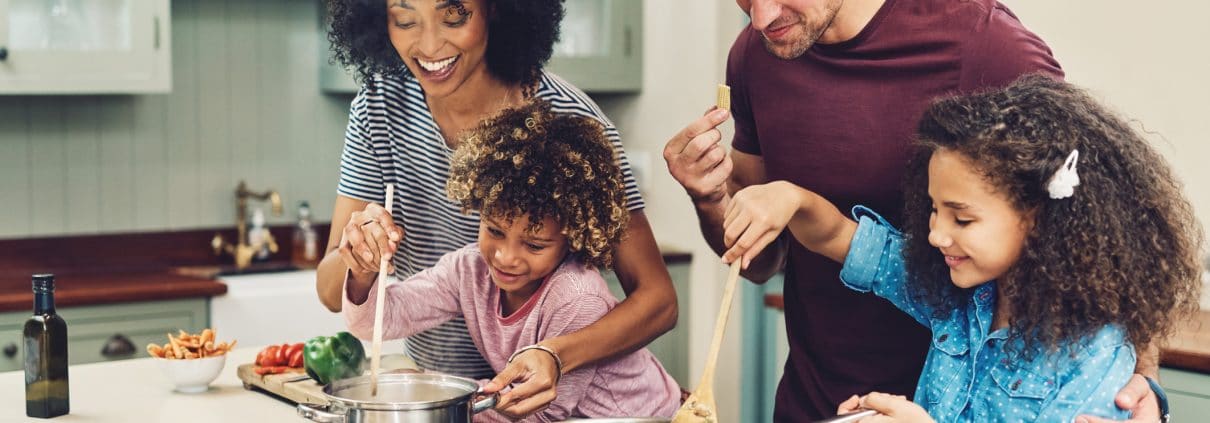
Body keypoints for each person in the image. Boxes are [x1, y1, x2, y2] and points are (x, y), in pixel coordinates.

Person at [663, 0, 1161, 420]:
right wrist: (715, 197)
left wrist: (1143, 380)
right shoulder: (758, 53)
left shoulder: (986, 43)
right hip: (816, 400)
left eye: (961, 218)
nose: (760, 17)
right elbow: (799, 250)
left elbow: (1102, 218)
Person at [721, 75, 1202, 421]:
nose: (936, 235)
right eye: (933, 210)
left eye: (962, 218)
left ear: (1037, 219)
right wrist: (791, 198)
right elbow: (837, 237)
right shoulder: (952, 294)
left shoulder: (1093, 357)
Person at [318, 0, 677, 417]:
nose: (430, 44)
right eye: (405, 19)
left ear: (497, 9)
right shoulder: (379, 106)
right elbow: (334, 292)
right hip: (440, 391)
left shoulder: (571, 126)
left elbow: (659, 301)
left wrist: (555, 356)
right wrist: (358, 256)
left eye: (454, 16)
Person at [342, 102, 681, 421]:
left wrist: (431, 392)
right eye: (494, 230)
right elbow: (374, 322)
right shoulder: (469, 270)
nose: (505, 257)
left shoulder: (576, 298)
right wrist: (363, 270)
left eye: (534, 245)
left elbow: (540, 413)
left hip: (642, 415)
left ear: (572, 238)